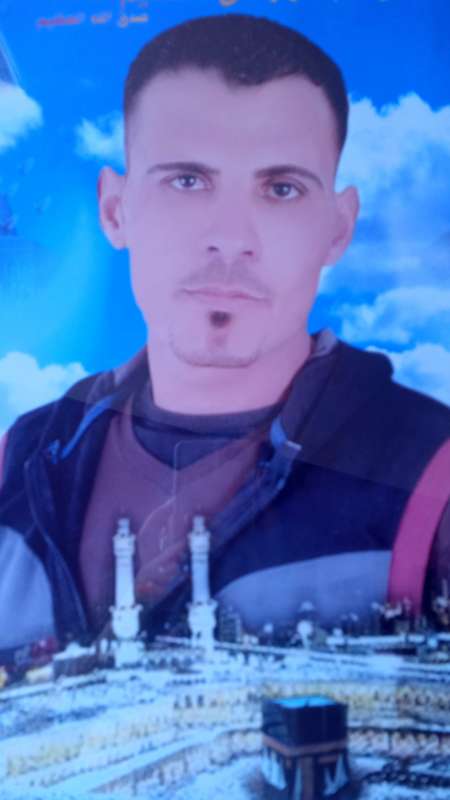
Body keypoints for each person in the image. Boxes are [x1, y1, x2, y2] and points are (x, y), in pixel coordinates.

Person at [0, 13, 449, 651]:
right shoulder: (16, 464)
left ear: (338, 228)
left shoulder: (432, 476)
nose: (231, 238)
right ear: (115, 209)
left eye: (282, 189)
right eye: (187, 181)